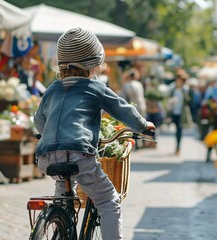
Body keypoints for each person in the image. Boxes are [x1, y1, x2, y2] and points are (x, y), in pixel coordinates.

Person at [33, 27, 155, 240]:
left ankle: (59, 225)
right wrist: (143, 125)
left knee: (63, 190)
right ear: (92, 62)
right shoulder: (95, 87)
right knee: (108, 201)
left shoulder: (53, 88)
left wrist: (48, 135)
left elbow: (38, 120)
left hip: (46, 155)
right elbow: (122, 109)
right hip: (79, 153)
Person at [169, 73, 190, 155]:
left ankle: (178, 147)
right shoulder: (173, 88)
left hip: (181, 113)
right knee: (176, 129)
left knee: (179, 130)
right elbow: (169, 98)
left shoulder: (185, 89)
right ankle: (177, 147)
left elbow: (188, 101)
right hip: (174, 112)